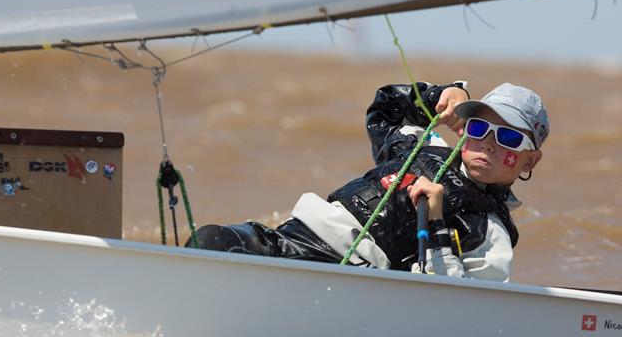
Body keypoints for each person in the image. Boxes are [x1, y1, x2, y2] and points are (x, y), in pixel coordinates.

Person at [190, 80, 548, 282]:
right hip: (292, 238)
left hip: (345, 277)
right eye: (480, 127)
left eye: (510, 139)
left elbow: (457, 304)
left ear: (530, 160)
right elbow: (385, 108)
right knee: (210, 240)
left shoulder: (492, 232)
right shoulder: (423, 145)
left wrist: (437, 222)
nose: (488, 142)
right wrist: (440, 95)